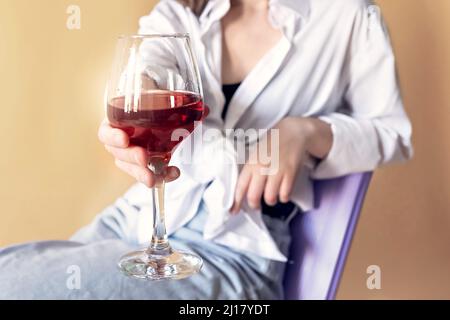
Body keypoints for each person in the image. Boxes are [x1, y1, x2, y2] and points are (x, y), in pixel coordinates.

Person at [0, 0, 412, 300]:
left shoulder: (350, 17)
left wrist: (307, 131)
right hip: (135, 218)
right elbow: (149, 65)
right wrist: (141, 90)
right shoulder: (181, 13)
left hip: (231, 249)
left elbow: (394, 135)